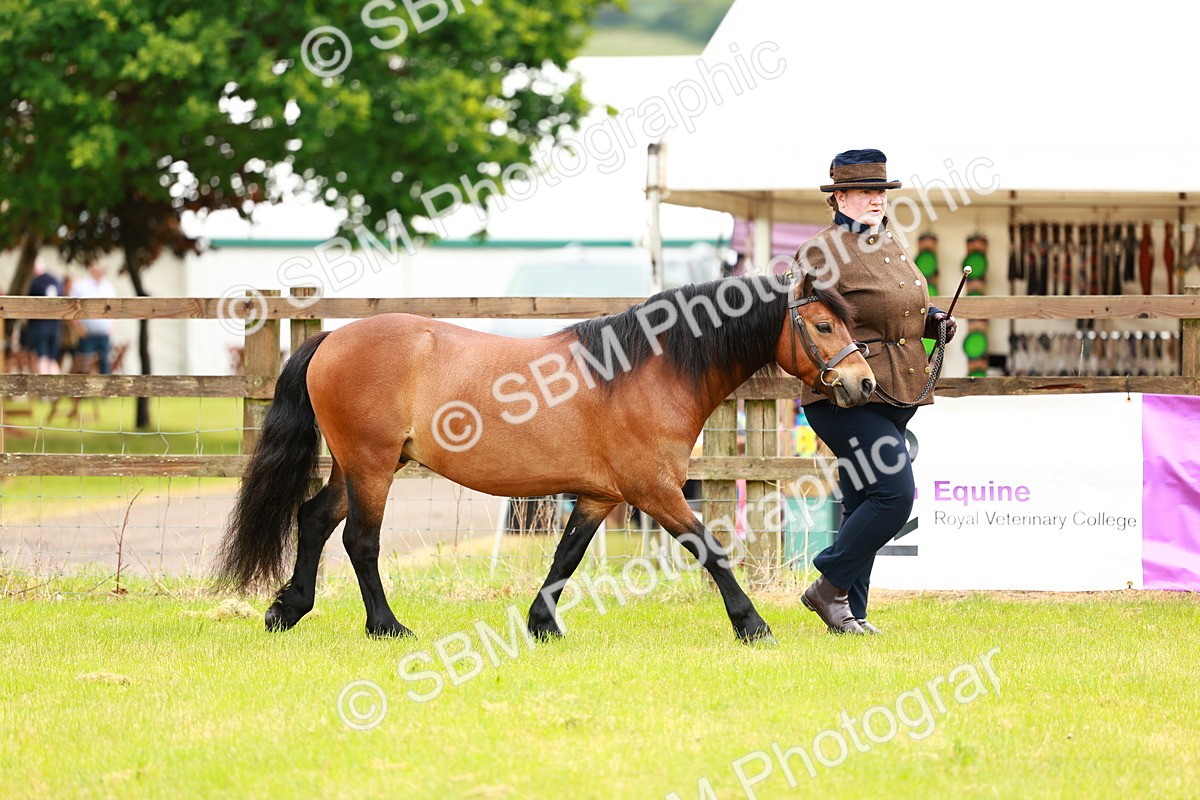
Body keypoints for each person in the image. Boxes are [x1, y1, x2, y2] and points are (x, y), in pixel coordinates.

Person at [793, 149, 957, 635]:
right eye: (865, 192)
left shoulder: (889, 240)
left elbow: (899, 307)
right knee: (893, 495)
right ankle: (827, 584)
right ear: (839, 196)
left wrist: (932, 321)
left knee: (862, 499)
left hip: (897, 389)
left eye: (880, 192)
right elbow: (814, 322)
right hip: (845, 396)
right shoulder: (820, 252)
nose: (875, 200)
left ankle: (848, 613)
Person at [69, 260, 117, 374]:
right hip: (87, 335)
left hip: (104, 334)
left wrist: (111, 328)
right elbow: (72, 309)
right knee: (84, 366)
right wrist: (80, 329)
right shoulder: (81, 285)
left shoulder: (108, 286)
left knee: (105, 365)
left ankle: (105, 390)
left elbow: (115, 310)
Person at [20, 258, 64, 375]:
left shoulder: (35, 283)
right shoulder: (55, 280)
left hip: (39, 327)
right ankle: (58, 389)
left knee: (42, 357)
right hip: (55, 327)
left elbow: (27, 306)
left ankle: (45, 389)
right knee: (52, 359)